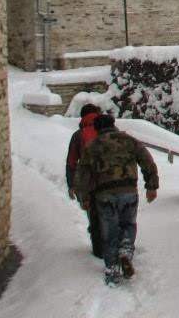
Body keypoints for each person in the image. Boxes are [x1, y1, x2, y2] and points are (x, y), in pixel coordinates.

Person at [74, 113, 159, 286]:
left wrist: (84, 198)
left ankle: (112, 269)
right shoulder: (129, 140)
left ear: (97, 129)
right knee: (128, 224)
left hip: (104, 195)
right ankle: (126, 251)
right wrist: (152, 186)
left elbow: (82, 174)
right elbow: (147, 160)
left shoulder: (93, 146)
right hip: (128, 190)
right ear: (113, 124)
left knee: (109, 232)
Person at [65, 103, 103, 258]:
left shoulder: (78, 135)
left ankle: (99, 250)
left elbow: (71, 162)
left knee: (94, 216)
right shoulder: (107, 130)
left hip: (88, 183)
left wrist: (71, 185)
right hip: (111, 179)